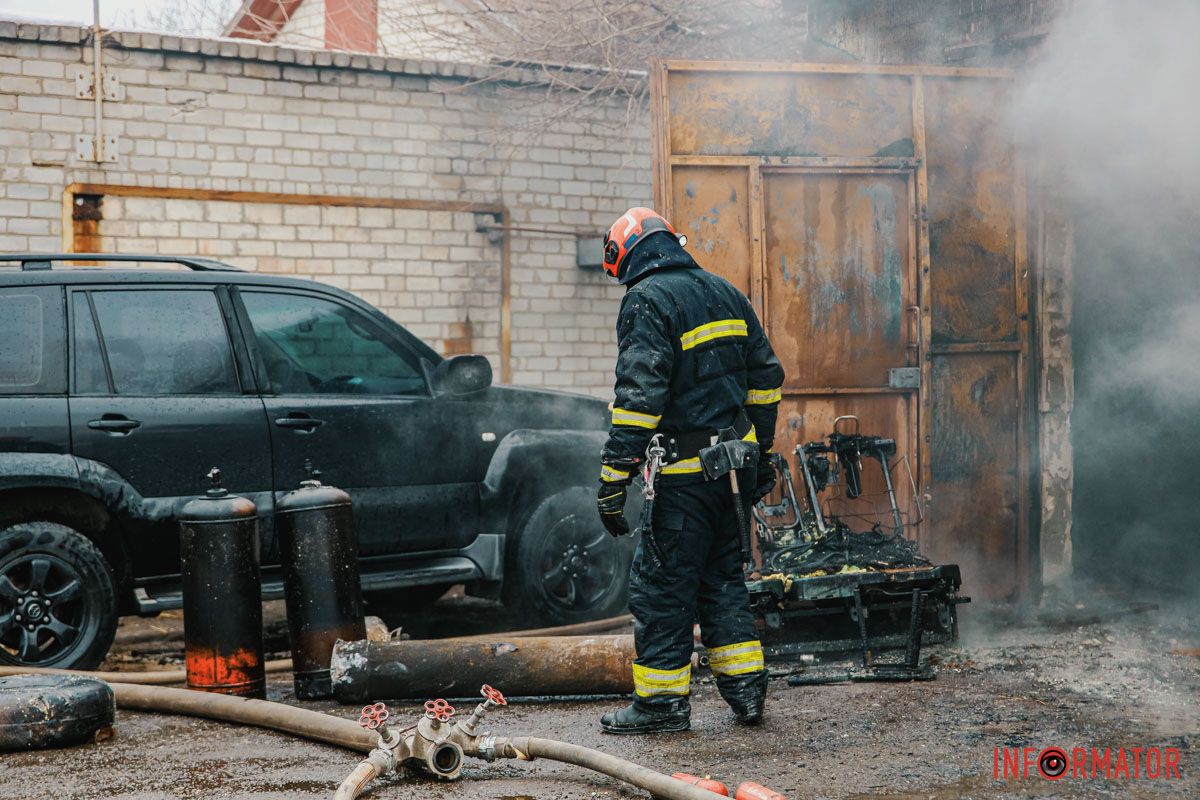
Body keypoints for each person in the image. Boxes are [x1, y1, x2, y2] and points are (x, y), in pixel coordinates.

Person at [596, 207, 785, 734]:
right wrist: (761, 455)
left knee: (661, 589)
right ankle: (748, 694)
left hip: (683, 475)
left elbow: (638, 400)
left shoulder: (647, 299)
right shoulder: (724, 290)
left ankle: (660, 706)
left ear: (625, 255)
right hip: (735, 472)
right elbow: (767, 378)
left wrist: (613, 480)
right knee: (722, 579)